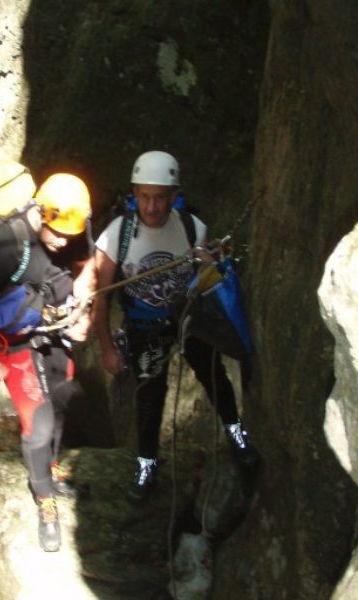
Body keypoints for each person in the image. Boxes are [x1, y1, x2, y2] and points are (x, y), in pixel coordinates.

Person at [92, 150, 255, 503]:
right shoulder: (117, 235)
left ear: (173, 195)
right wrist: (106, 347)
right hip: (144, 328)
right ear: (134, 194)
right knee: (150, 398)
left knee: (214, 378)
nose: (151, 207)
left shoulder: (192, 228)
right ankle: (147, 463)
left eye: (160, 198)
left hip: (187, 320)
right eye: (144, 197)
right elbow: (101, 296)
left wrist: (210, 264)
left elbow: (206, 282)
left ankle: (237, 433)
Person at [0, 172, 94, 552]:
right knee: (39, 422)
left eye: (71, 235)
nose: (65, 241)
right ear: (42, 214)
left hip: (51, 329)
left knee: (62, 401)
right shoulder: (7, 247)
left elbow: (80, 269)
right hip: (15, 342)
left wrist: (82, 313)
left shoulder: (72, 224)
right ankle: (44, 503)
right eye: (58, 234)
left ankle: (48, 470)